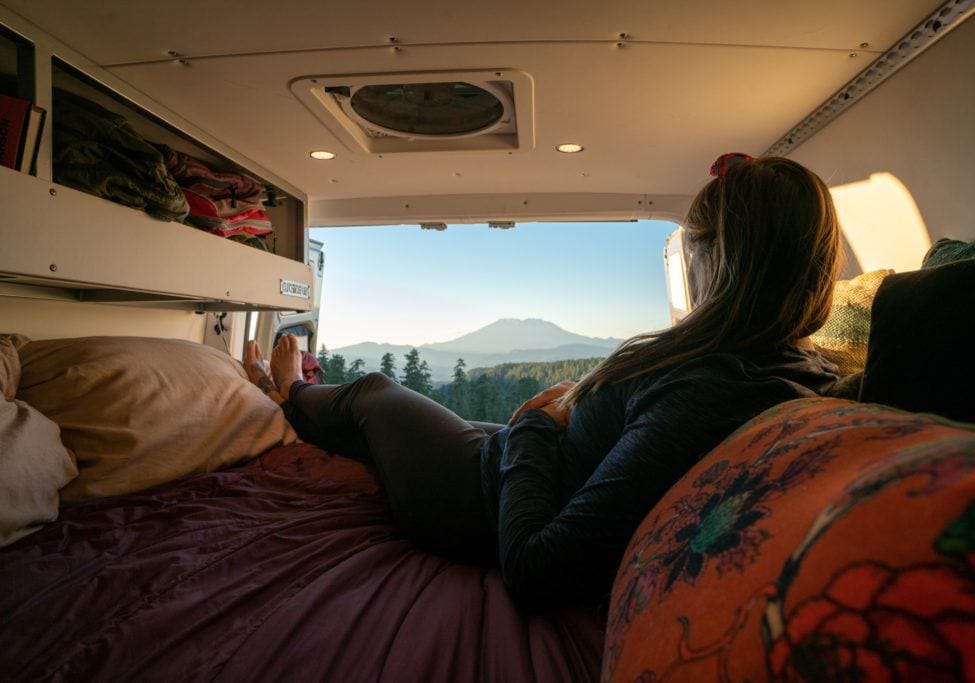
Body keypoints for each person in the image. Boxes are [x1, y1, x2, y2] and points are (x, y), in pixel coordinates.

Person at [243, 154, 841, 609]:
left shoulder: (711, 389)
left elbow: (538, 569)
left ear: (715, 261)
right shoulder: (794, 369)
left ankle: (291, 391)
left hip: (478, 499)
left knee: (373, 393)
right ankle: (303, 409)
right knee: (377, 432)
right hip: (518, 464)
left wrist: (529, 423)